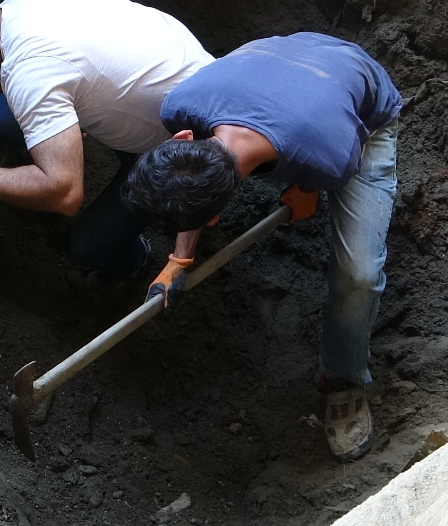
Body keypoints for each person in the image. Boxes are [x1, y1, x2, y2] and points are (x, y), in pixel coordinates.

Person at [121, 32, 401, 462]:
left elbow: (326, 166)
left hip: (359, 104)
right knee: (302, 146)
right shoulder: (181, 104)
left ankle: (342, 378)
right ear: (180, 139)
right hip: (286, 58)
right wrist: (180, 259)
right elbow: (192, 185)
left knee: (358, 275)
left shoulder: (331, 158)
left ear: (181, 138)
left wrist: (308, 187)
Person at [0, 0, 213, 281]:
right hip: (192, 79)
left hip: (185, 149)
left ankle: (136, 259)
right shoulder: (23, 4)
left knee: (88, 247)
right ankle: (54, 150)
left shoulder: (30, 73)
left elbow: (66, 196)